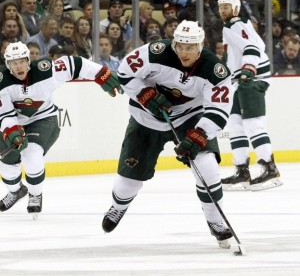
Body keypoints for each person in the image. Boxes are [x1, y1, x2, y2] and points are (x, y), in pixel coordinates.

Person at [101, 20, 235, 249]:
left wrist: (199, 135)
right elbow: (124, 72)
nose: (184, 51)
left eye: (190, 47)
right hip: (146, 118)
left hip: (190, 118)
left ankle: (215, 220)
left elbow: (219, 109)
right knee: (128, 182)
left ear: (200, 46)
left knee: (208, 167)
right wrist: (145, 95)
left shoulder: (215, 70)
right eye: (180, 45)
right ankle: (118, 206)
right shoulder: (156, 52)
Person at [0, 41, 123, 218]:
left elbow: (76, 63)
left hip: (43, 119)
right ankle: (15, 191)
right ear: (7, 65)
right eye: (13, 63)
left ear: (28, 60)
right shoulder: (2, 82)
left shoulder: (46, 70)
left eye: (22, 61)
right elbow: (5, 115)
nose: (19, 66)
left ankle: (35, 194)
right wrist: (11, 131)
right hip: (14, 123)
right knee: (6, 162)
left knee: (32, 155)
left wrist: (101, 74)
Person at [217, 0, 282, 191]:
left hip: (251, 79)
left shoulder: (237, 23)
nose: (222, 10)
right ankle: (242, 171)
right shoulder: (231, 26)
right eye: (221, 7)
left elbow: (254, 47)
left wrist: (248, 69)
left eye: (226, 7)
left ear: (236, 9)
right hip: (239, 81)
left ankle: (270, 168)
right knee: (235, 124)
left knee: (253, 123)